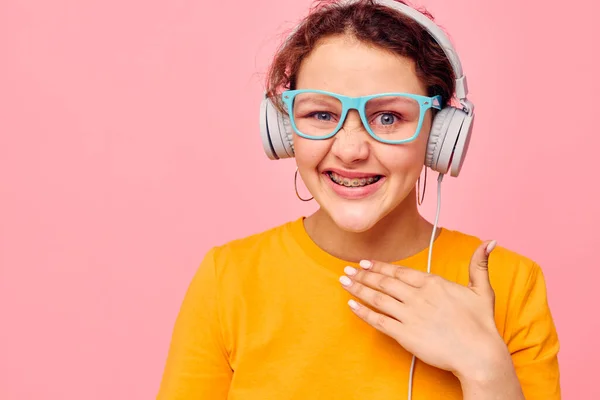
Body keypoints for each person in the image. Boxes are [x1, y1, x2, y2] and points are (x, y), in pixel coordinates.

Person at [156, 0, 561, 399]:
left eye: (388, 117)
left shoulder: (509, 285)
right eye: (322, 114)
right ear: (284, 130)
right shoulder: (227, 280)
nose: (350, 150)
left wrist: (484, 369)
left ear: (439, 135)